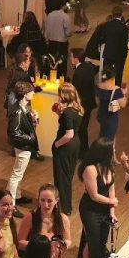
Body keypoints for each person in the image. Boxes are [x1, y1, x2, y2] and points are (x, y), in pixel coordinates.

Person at [69, 138, 117, 258]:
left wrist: (112, 211)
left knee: (96, 241)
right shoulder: (90, 169)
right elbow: (94, 196)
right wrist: (111, 202)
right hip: (90, 209)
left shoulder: (108, 167)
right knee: (94, 244)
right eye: (112, 149)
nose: (114, 151)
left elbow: (111, 189)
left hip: (104, 209)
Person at [18, 183, 71, 258]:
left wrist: (62, 244)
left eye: (49, 201)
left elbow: (68, 240)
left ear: (56, 201)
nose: (45, 205)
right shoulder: (30, 217)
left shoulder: (62, 219)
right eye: (42, 200)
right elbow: (20, 243)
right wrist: (41, 246)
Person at [6, 81, 40, 210]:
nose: (33, 93)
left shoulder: (22, 107)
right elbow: (13, 132)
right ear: (25, 94)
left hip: (25, 145)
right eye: (31, 92)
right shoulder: (18, 111)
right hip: (23, 146)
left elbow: (27, 126)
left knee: (18, 173)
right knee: (17, 174)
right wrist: (30, 138)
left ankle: (17, 196)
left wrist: (34, 119)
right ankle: (11, 204)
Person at [51, 83, 83, 216]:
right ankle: (66, 206)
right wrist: (59, 113)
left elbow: (68, 134)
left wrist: (56, 144)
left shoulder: (68, 112)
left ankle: (63, 208)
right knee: (67, 176)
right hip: (76, 144)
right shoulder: (78, 109)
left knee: (61, 177)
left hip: (65, 146)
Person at [86, 5, 128, 82]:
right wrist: (124, 55)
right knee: (118, 75)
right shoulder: (124, 27)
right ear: (121, 15)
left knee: (105, 75)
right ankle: (116, 90)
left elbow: (102, 39)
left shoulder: (106, 25)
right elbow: (124, 43)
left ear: (112, 14)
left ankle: (104, 90)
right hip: (118, 55)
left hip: (107, 54)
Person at [70, 47, 97, 150]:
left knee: (80, 128)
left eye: (71, 56)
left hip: (81, 104)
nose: (70, 58)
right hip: (89, 102)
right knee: (84, 127)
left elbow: (75, 90)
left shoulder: (78, 72)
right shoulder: (88, 67)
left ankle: (82, 151)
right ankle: (84, 149)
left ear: (76, 58)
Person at [94, 68, 126, 146]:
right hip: (111, 118)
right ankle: (106, 154)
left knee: (102, 135)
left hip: (101, 115)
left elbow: (97, 102)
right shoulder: (116, 90)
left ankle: (100, 151)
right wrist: (124, 93)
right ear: (112, 77)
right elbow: (123, 104)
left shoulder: (98, 86)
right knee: (109, 139)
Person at [44, 2, 72, 78]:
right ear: (63, 6)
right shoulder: (65, 17)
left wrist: (46, 39)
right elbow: (68, 32)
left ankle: (49, 76)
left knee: (50, 61)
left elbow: (47, 29)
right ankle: (61, 77)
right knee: (62, 61)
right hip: (62, 43)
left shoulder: (50, 15)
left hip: (51, 42)